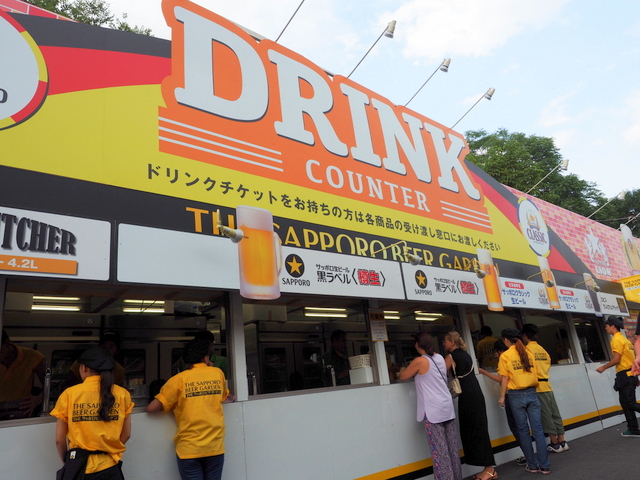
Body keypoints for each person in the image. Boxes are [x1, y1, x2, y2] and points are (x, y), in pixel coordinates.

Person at [147, 338, 233, 480]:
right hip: (214, 447)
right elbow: (223, 396)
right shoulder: (217, 373)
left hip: (189, 449)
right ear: (205, 357)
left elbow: (152, 408)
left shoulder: (178, 379)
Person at [50, 346, 133, 479]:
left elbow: (59, 440)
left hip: (79, 467)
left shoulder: (69, 394)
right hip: (109, 467)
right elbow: (127, 434)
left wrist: (68, 460)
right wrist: (110, 450)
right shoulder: (123, 394)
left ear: (84, 368)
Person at [398, 332, 462, 480]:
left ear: (416, 345)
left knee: (439, 452)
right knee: (452, 448)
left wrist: (401, 369)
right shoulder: (439, 357)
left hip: (433, 411)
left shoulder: (419, 361)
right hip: (446, 407)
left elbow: (403, 376)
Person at [443, 331, 496, 480]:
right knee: (479, 428)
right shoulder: (466, 354)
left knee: (473, 430)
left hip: (467, 396)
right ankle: (487, 467)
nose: (443, 343)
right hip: (476, 392)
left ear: (452, 343)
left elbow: (439, 373)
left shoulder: (451, 357)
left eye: (445, 341)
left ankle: (489, 469)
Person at [498, 328, 550, 475]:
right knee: (538, 430)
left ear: (506, 340)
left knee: (523, 431)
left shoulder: (505, 356)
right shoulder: (528, 353)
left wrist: (502, 396)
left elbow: (504, 378)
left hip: (515, 395)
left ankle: (532, 465)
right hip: (532, 393)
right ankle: (545, 466)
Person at [478, 340, 527, 467]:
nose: (495, 355)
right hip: (523, 393)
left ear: (499, 351)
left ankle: (528, 455)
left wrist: (484, 372)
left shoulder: (503, 358)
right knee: (523, 426)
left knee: (515, 426)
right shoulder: (518, 355)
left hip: (510, 395)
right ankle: (530, 454)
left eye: (495, 353)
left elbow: (501, 379)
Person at [522, 324, 568, 453]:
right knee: (555, 413)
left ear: (525, 335)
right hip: (547, 385)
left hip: (537, 387)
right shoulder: (542, 349)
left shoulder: (526, 350)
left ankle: (555, 443)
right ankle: (562, 440)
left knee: (546, 416)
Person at [596, 316, 640, 437]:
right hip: (630, 374)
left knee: (629, 403)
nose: (605, 328)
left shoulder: (616, 340)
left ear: (612, 326)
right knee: (626, 403)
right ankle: (633, 429)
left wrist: (603, 367)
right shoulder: (626, 340)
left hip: (625, 375)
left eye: (606, 326)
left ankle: (633, 429)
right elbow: (631, 359)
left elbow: (617, 359)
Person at [0, 329, 45, 418]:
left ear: (7, 343)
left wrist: (38, 399)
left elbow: (51, 385)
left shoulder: (32, 356)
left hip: (22, 412)